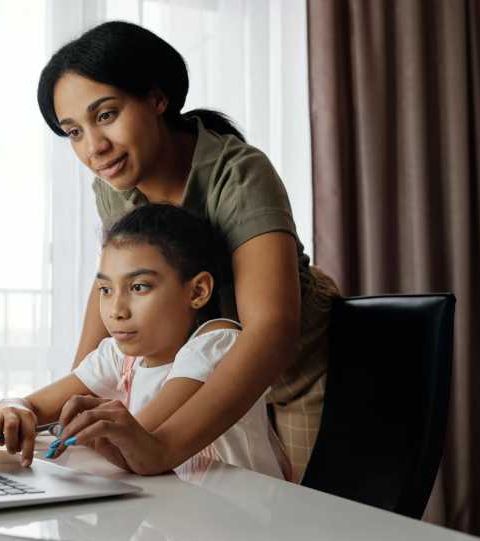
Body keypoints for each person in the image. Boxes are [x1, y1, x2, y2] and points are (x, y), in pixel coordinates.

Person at [30, 20, 340, 482]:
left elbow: (272, 328)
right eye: (73, 131)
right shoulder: (113, 185)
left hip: (294, 369)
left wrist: (165, 446)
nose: (94, 147)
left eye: (106, 115)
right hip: (201, 367)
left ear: (158, 99)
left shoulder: (238, 173)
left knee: (306, 519)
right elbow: (110, 291)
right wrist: (77, 404)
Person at [0, 204, 285, 479]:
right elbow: (33, 404)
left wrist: (81, 424)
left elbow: (139, 443)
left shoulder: (217, 344)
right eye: (106, 290)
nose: (116, 311)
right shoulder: (120, 357)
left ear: (197, 291)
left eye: (139, 287)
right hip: (173, 513)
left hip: (237, 518)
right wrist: (9, 410)